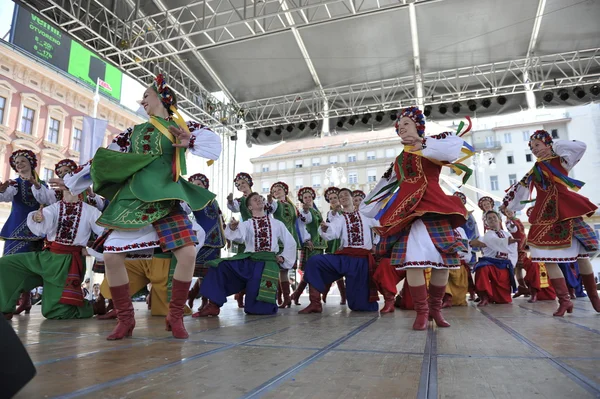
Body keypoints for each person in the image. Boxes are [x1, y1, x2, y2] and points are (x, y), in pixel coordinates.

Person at [50, 74, 222, 339]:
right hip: (134, 196)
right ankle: (125, 319)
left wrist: (190, 141)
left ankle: (175, 316)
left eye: (146, 95)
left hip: (166, 196)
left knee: (187, 253)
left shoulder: (184, 125)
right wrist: (73, 180)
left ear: (162, 97)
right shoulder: (132, 132)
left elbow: (212, 145)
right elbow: (104, 159)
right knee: (111, 256)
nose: (142, 100)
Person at [361, 106, 472, 330]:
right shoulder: (399, 160)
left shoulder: (432, 145)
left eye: (406, 125)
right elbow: (384, 186)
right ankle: (422, 313)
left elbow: (455, 147)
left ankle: (435, 311)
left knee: (442, 263)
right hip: (406, 213)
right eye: (399, 127)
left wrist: (423, 144)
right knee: (413, 262)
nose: (401, 129)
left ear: (418, 127)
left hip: (434, 207)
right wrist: (367, 208)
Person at [501, 130, 600, 315]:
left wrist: (554, 146)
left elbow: (580, 146)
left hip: (565, 208)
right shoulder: (535, 170)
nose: (534, 150)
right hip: (543, 213)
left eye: (537, 145)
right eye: (532, 148)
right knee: (544, 256)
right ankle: (564, 301)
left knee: (581, 254)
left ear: (548, 144)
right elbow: (521, 190)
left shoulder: (562, 160)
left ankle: (595, 298)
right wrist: (508, 206)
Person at [0, 186, 104, 320]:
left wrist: (90, 250)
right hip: (46, 256)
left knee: (53, 311)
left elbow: (105, 234)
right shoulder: (54, 208)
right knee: (6, 264)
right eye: (66, 186)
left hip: (66, 263)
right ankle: (4, 309)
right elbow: (43, 223)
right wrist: (38, 218)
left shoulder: (91, 211)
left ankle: (92, 307)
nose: (69, 189)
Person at [195, 192, 297, 316]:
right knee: (219, 266)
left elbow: (290, 241)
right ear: (249, 207)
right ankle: (213, 305)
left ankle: (256, 300)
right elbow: (238, 236)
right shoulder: (247, 224)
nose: (259, 200)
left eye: (260, 198)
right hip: (250, 260)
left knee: (255, 308)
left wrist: (283, 257)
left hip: (266, 264)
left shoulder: (277, 224)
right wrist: (232, 227)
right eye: (255, 199)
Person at [299, 188, 380, 313]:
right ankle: (315, 303)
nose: (343, 197)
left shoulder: (365, 214)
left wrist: (375, 244)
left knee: (359, 306)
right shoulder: (340, 218)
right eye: (340, 196)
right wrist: (325, 228)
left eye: (346, 195)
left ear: (352, 198)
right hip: (344, 257)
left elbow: (380, 228)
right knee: (315, 261)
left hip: (361, 260)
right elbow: (332, 233)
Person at [0, 150, 55, 315]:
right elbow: (5, 197)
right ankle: (9, 303)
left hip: (36, 230)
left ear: (31, 163)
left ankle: (26, 300)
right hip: (15, 229)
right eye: (16, 163)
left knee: (34, 266)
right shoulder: (14, 184)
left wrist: (37, 185)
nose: (19, 164)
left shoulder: (43, 184)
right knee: (10, 265)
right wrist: (2, 191)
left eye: (22, 161)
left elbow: (47, 200)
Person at [184, 173, 226, 312]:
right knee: (199, 272)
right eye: (194, 185)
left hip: (216, 240)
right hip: (202, 238)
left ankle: (198, 298)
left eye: (199, 184)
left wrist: (225, 235)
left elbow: (219, 217)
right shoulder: (192, 199)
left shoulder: (213, 199)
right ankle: (198, 299)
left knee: (209, 273)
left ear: (205, 186)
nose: (197, 187)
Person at [266, 181, 306, 308]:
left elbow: (301, 222)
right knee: (278, 269)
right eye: (274, 191)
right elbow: (271, 208)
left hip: (291, 240)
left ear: (285, 190)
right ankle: (279, 297)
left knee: (285, 270)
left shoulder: (293, 206)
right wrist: (270, 201)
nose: (276, 192)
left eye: (278, 189)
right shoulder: (276, 204)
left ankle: (286, 298)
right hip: (279, 240)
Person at [471, 211, 518, 306]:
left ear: (499, 219)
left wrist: (512, 263)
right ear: (486, 222)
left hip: (503, 264)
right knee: (482, 268)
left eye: (494, 217)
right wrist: (476, 243)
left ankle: (493, 296)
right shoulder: (488, 234)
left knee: (504, 300)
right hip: (489, 262)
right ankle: (484, 297)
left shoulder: (507, 234)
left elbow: (513, 249)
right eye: (489, 218)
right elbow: (477, 242)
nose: (492, 219)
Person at [291, 187, 327, 305]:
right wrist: (306, 240)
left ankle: (297, 295)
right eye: (305, 197)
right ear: (302, 199)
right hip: (311, 244)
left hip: (319, 244)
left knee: (312, 272)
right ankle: (313, 299)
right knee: (312, 271)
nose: (307, 199)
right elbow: (303, 223)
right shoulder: (304, 211)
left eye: (309, 196)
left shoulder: (316, 211)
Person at [227, 172, 254, 308]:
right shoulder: (240, 200)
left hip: (259, 232)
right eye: (238, 185)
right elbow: (234, 207)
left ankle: (247, 295)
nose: (241, 185)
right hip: (246, 235)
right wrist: (231, 201)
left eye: (243, 182)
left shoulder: (258, 198)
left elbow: (268, 210)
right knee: (245, 265)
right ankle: (240, 294)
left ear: (249, 182)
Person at [321, 187, 346, 305]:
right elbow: (331, 219)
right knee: (334, 269)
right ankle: (337, 295)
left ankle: (343, 295)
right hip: (334, 243)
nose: (333, 200)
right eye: (330, 199)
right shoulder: (330, 213)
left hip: (345, 242)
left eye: (335, 197)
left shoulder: (346, 210)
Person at [502, 207, 530, 298]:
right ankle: (523, 287)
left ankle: (525, 287)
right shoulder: (508, 222)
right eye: (507, 212)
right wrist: (512, 225)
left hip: (522, 245)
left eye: (510, 210)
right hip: (516, 247)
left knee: (521, 267)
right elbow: (513, 229)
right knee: (519, 267)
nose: (509, 213)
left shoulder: (517, 219)